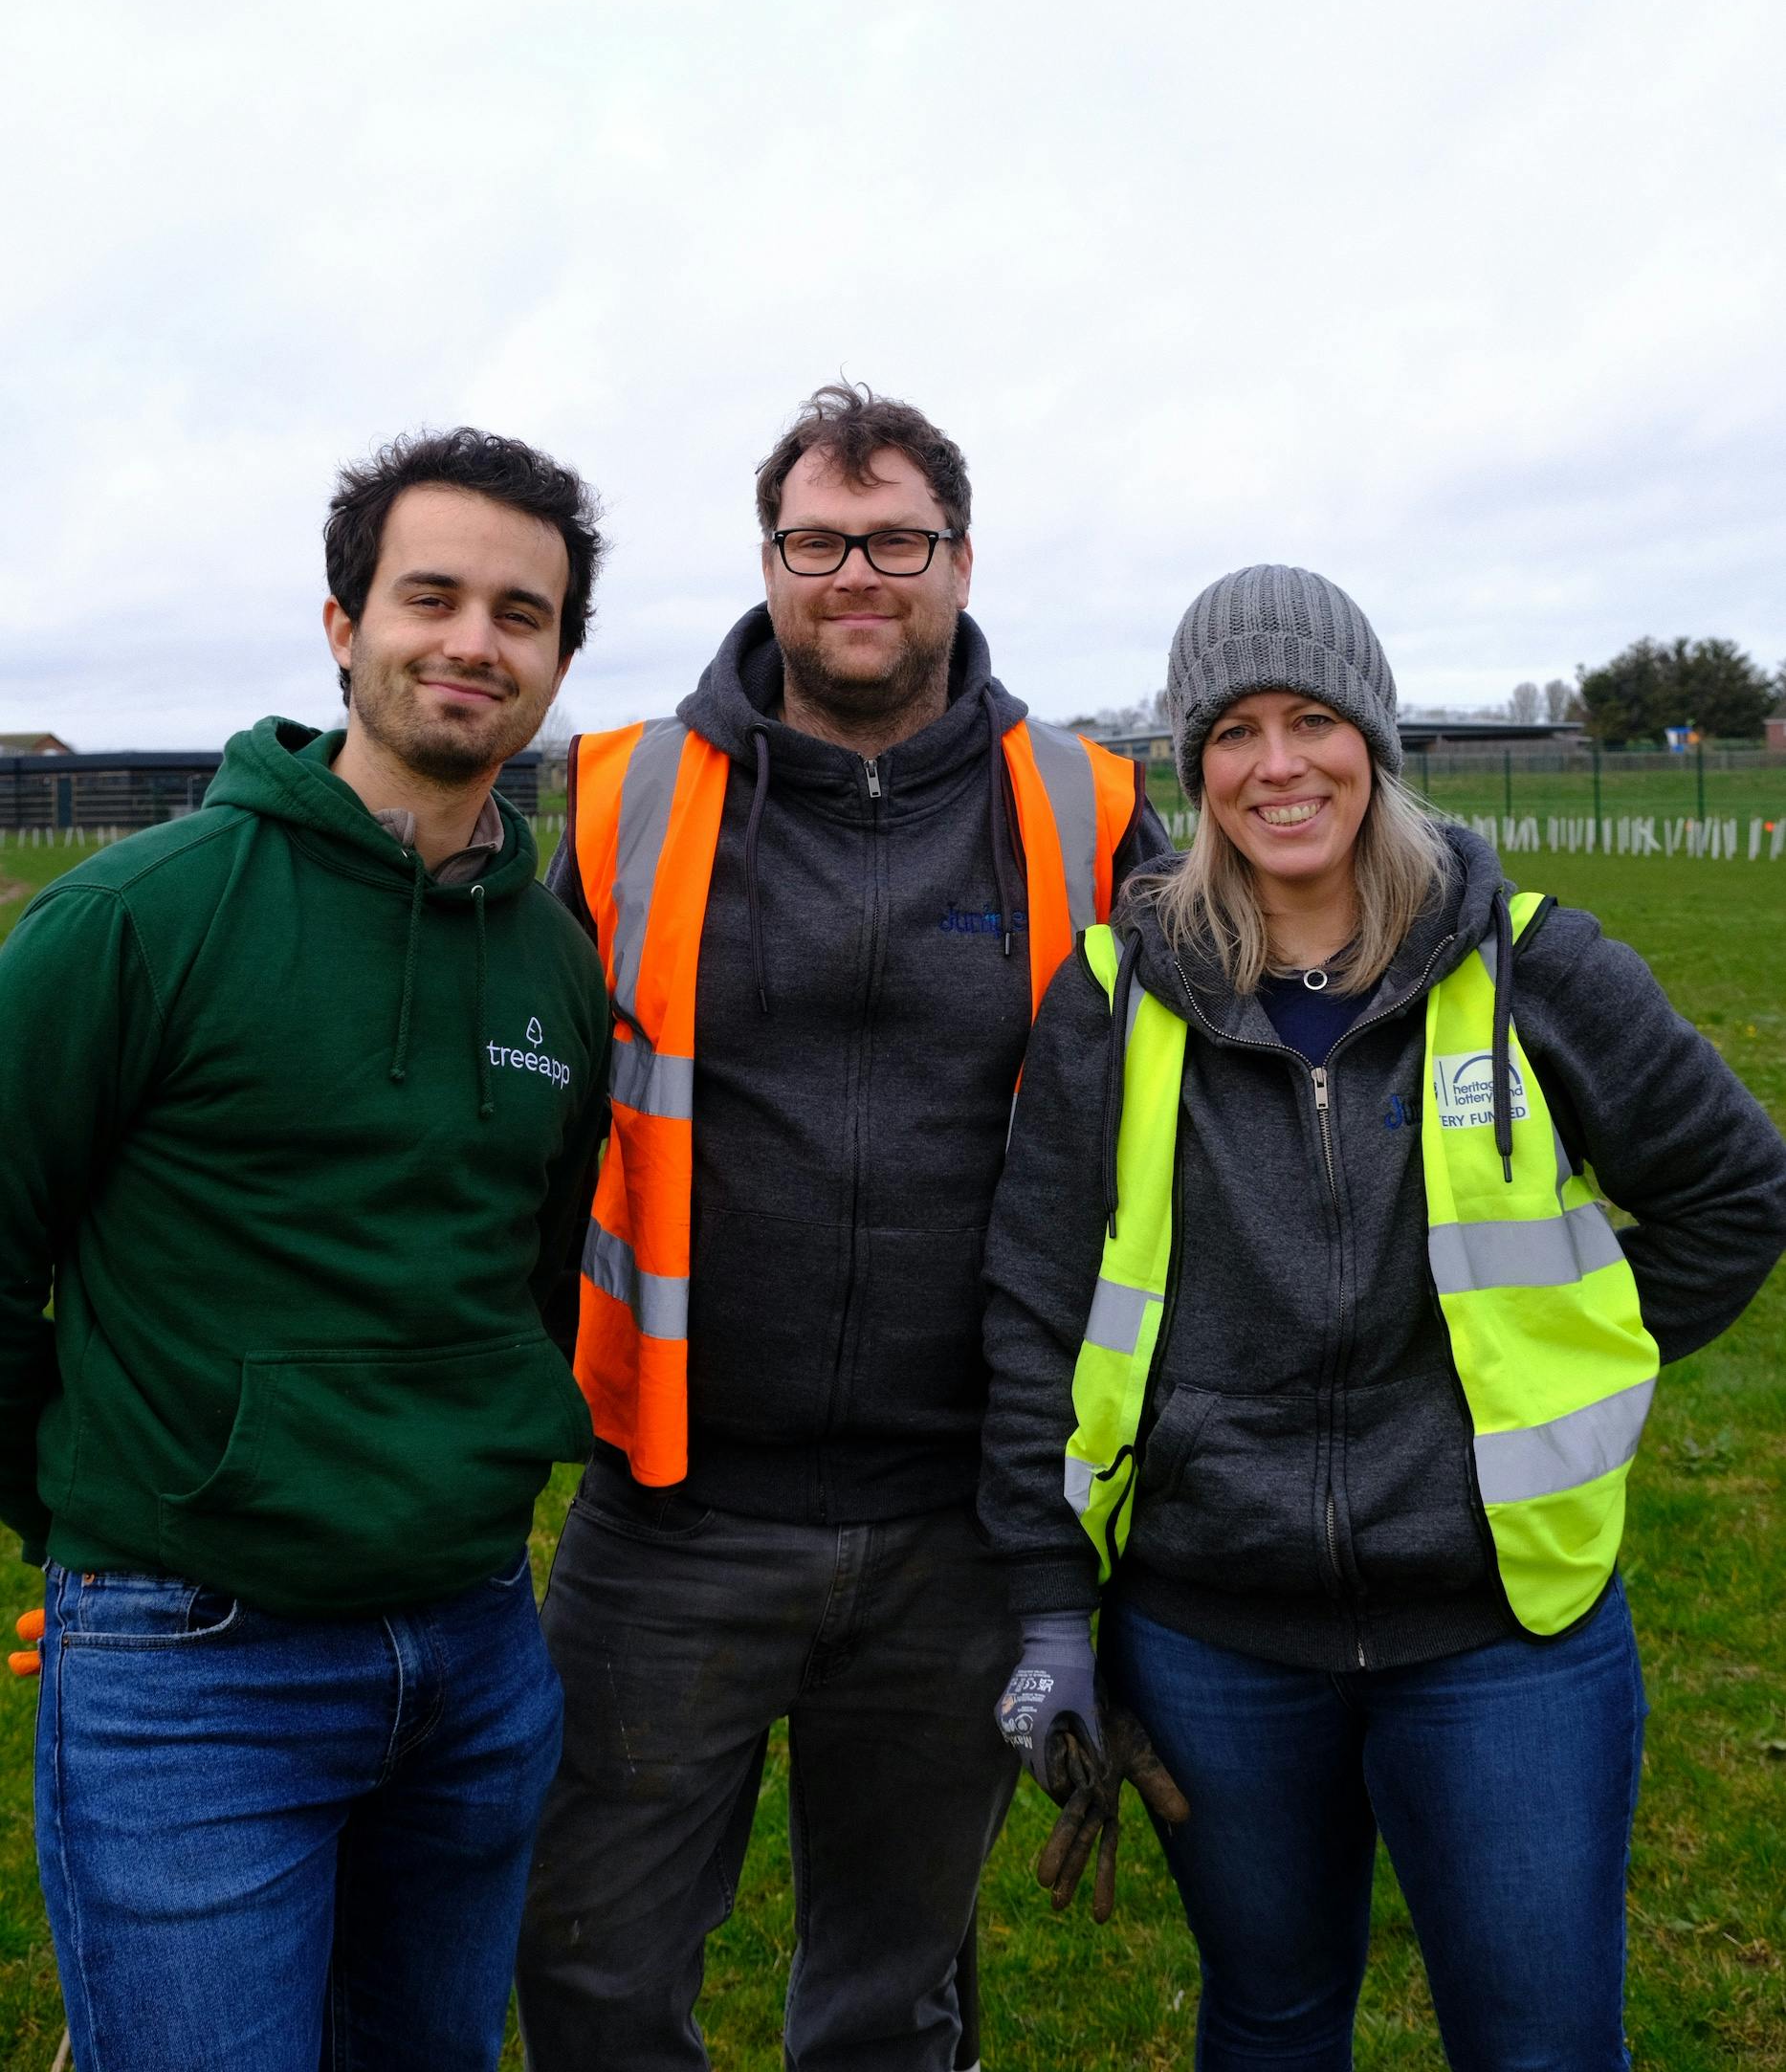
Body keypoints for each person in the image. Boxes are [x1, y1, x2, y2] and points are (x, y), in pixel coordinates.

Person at [980, 565, 1786, 2071]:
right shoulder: (1114, 995)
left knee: (1540, 2044)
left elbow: (1736, 1195)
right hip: (1212, 1632)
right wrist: (1045, 1604)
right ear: (1192, 766)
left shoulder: (1533, 963)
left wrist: (1558, 1367)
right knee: (1273, 2021)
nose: (1277, 765)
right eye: (1232, 730)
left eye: (1313, 719)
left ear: (1377, 739)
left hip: (1503, 1636)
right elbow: (1030, 1312)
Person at [516, 382, 1167, 2072]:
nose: (856, 573)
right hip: (673, 1515)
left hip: (961, 1520)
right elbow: (502, 1115)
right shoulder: (614, 800)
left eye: (896, 541)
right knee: (590, 1971)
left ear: (961, 559)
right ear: (769, 559)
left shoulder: (1091, 808)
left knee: (891, 1998)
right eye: (819, 540)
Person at [0, 427, 613, 2072]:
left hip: (477, 1648)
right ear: (345, 627)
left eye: (521, 612)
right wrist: (98, 1504)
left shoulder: (557, 970)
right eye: (432, 596)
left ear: (558, 657)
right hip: (195, 1669)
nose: (473, 640)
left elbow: (525, 1280)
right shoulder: (140, 918)